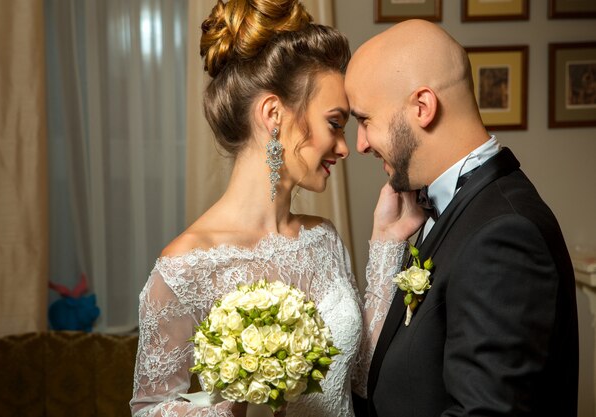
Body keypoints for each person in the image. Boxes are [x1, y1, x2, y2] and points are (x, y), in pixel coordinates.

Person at [130, 1, 423, 416]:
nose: (344, 147)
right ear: (273, 114)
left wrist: (387, 242)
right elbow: (148, 408)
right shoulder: (183, 267)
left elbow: (359, 376)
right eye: (335, 123)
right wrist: (232, 408)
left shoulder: (322, 239)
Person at [346, 19, 579, 417]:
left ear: (422, 107)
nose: (361, 143)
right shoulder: (441, 203)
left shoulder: (505, 235)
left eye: (365, 119)